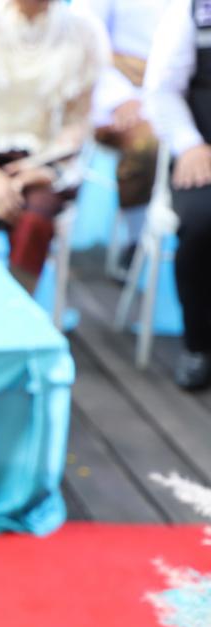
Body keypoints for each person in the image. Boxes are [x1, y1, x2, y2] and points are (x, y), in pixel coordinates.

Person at [0, 0, 109, 292]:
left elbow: (79, 120)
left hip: (43, 159)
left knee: (34, 223)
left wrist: (46, 168)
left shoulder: (84, 31)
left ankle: (18, 305)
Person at [145, 0, 211, 391]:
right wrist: (189, 145)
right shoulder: (194, 9)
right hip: (203, 156)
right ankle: (199, 343)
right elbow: (162, 90)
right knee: (203, 223)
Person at [77, 0, 165, 212]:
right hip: (116, 92)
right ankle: (135, 229)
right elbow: (83, 41)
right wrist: (119, 99)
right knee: (146, 146)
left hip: (178, 90)